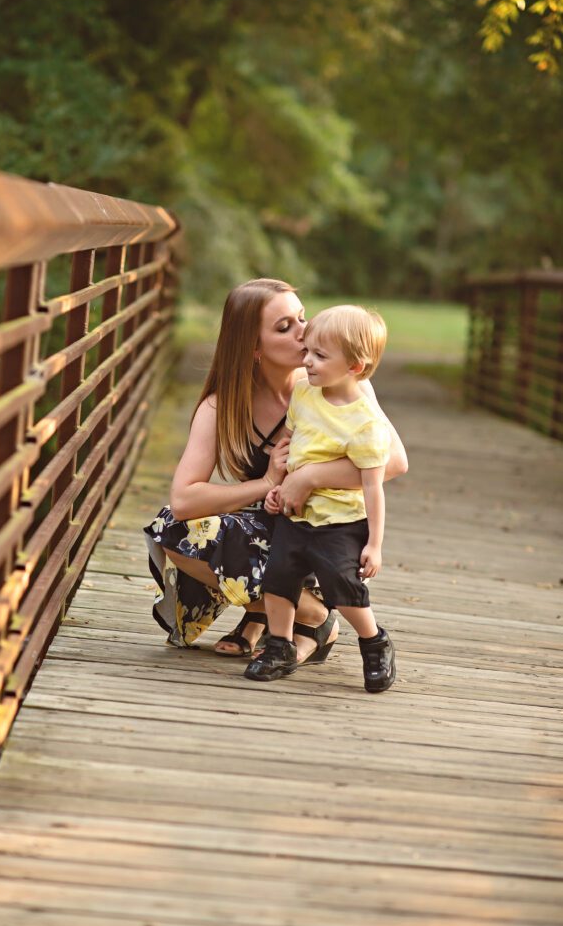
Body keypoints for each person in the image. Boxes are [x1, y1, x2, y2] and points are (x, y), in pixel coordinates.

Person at [144, 279, 408, 664]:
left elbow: (395, 462)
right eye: (285, 327)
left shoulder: (340, 381)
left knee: (297, 539)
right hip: (268, 517)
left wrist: (309, 477)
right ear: (253, 348)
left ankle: (272, 619)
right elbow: (183, 499)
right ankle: (312, 618)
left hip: (327, 525)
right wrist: (266, 483)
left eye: (302, 318)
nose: (304, 333)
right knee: (172, 530)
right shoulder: (223, 407)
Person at [245, 304, 396, 690]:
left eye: (319, 355)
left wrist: (375, 545)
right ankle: (278, 646)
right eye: (307, 350)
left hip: (341, 523)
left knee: (342, 585)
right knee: (278, 579)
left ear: (355, 367)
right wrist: (278, 485)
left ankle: (374, 641)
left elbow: (372, 486)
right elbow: (295, 444)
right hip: (295, 516)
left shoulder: (367, 423)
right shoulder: (304, 393)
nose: (306, 361)